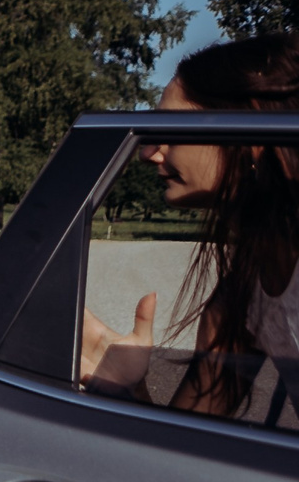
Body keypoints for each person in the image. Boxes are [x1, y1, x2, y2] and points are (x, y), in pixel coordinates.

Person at [79, 32, 299, 418]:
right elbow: (188, 442)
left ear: (251, 138)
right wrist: (126, 392)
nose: (150, 152)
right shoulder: (243, 294)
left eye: (171, 129)